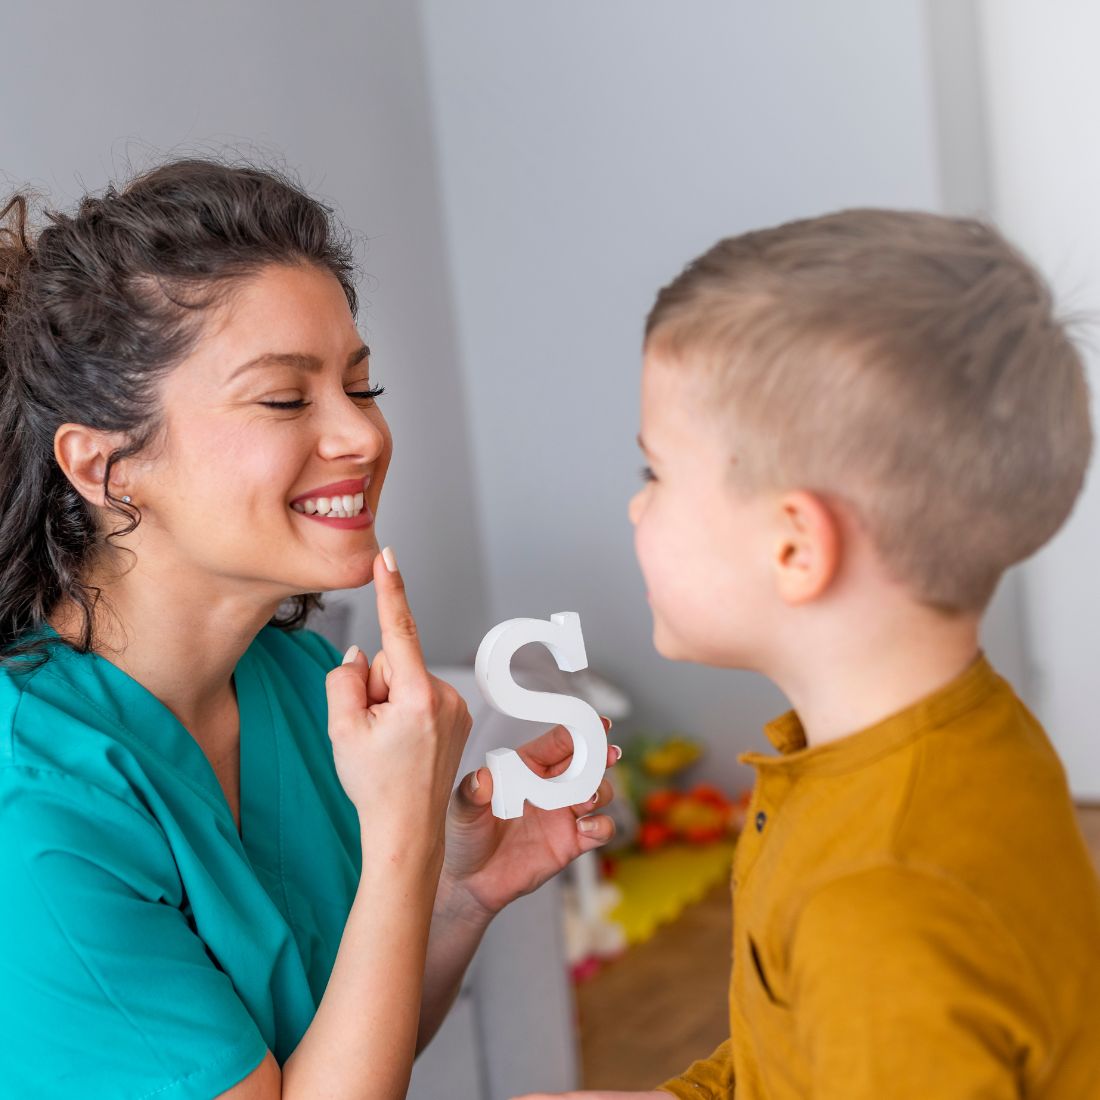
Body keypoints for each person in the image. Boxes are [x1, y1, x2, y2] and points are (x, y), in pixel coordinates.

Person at [0, 158, 619, 1100]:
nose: (363, 437)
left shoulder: (299, 681)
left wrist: (458, 894)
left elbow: (341, 1060)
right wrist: (402, 834)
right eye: (286, 398)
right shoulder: (34, 821)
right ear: (105, 467)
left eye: (361, 388)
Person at [518, 210, 1100, 1100]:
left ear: (795, 546)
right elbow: (798, 1055)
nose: (637, 508)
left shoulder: (882, 903)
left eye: (655, 475)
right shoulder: (954, 736)